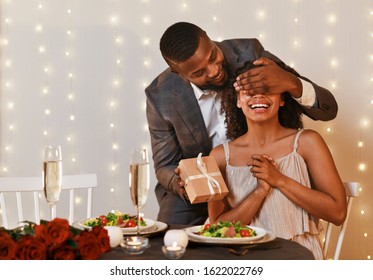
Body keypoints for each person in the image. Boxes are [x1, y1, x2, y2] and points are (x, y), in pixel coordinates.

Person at [145, 21, 338, 225]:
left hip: (259, 178)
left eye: (212, 56)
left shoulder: (250, 54)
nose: (213, 71)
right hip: (198, 191)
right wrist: (185, 183)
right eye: (198, 73)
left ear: (208, 37)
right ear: (179, 74)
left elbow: (329, 110)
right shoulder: (161, 95)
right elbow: (165, 165)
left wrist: (291, 82)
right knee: (171, 243)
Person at [208, 61, 347, 259]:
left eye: (267, 89)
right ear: (237, 100)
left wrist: (279, 179)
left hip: (299, 259)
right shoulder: (220, 157)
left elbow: (338, 212)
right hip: (244, 260)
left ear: (282, 99)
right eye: (249, 90)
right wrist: (260, 191)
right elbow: (218, 230)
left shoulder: (307, 142)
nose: (258, 95)